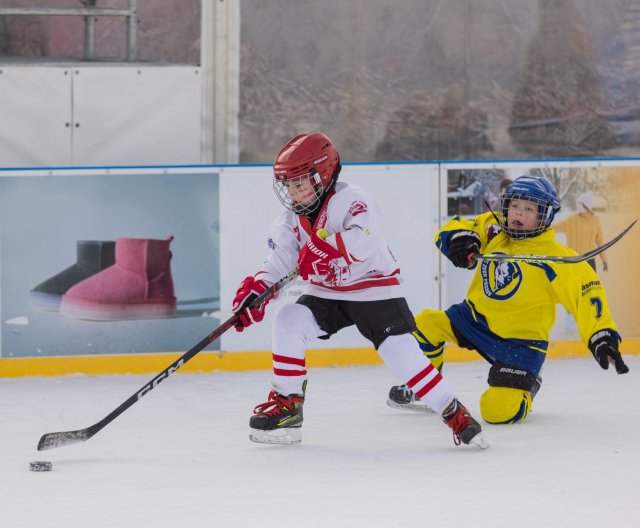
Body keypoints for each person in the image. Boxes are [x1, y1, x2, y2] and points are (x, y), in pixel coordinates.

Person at [232, 132, 488, 448]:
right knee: (288, 319)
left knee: (401, 355)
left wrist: (323, 247)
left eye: (299, 183)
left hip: (373, 287)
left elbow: (365, 236)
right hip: (327, 292)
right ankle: (288, 405)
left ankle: (453, 412)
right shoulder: (287, 222)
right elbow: (278, 262)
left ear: (322, 174)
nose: (293, 193)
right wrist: (256, 292)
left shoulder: (352, 199)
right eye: (288, 186)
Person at [387, 176, 629, 424]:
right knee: (426, 323)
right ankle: (424, 387)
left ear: (545, 215)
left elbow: (587, 294)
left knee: (496, 411)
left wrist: (601, 334)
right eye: (514, 206)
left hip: (521, 344)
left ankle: (529, 386)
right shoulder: (494, 229)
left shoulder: (557, 258)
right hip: (475, 320)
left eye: (529, 209)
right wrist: (460, 240)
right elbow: (452, 229)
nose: (519, 214)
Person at [554, 191, 608, 272]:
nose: (577, 206)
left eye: (580, 204)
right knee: (573, 284)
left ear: (587, 206)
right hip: (573, 261)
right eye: (577, 203)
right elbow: (556, 227)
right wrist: (541, 228)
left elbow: (600, 242)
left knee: (591, 284)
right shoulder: (572, 220)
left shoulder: (595, 220)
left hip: (589, 261)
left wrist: (604, 260)